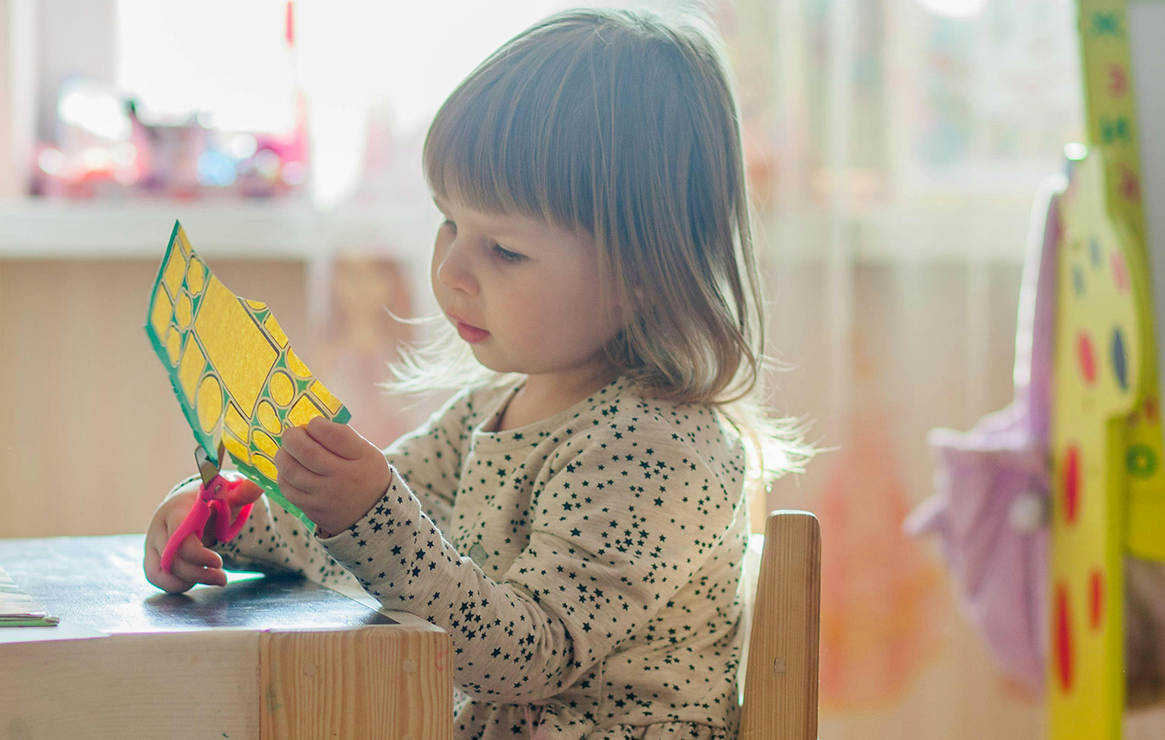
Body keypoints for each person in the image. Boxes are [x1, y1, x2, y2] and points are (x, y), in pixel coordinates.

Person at [145, 8, 804, 739]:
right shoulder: (492, 406)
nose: (452, 269)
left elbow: (527, 656)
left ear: (644, 270)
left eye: (506, 251)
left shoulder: (662, 448)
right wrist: (230, 520)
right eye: (448, 222)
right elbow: (356, 545)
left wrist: (367, 512)